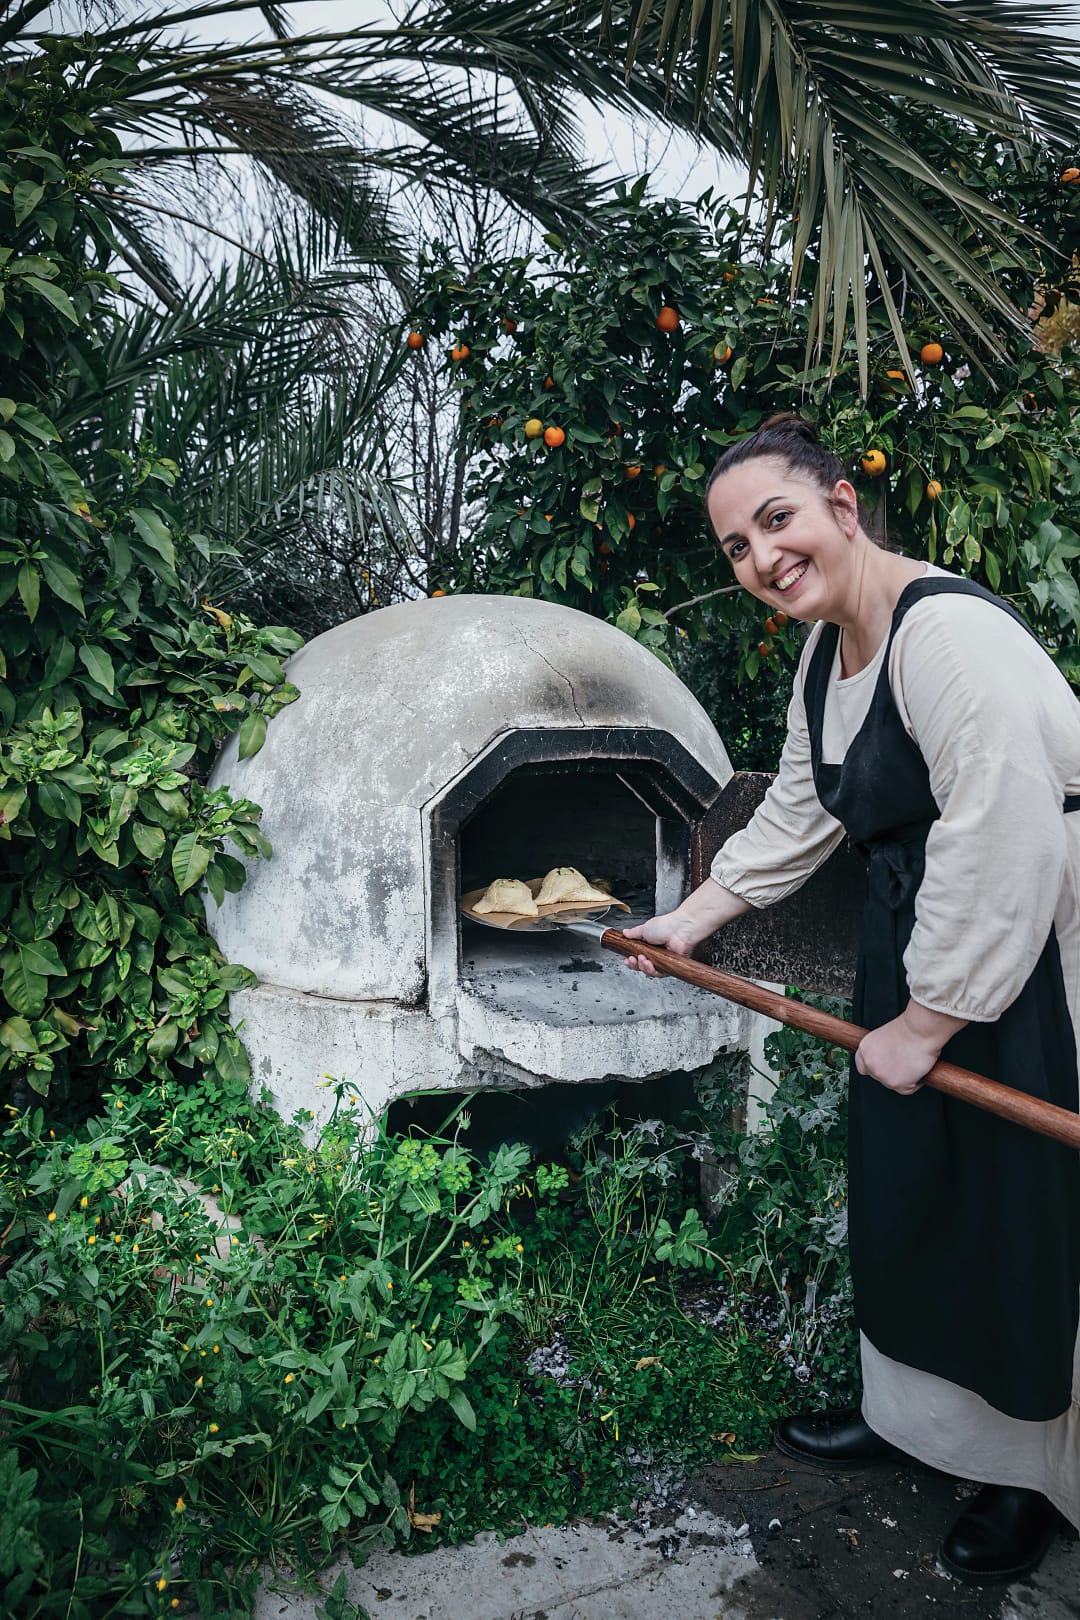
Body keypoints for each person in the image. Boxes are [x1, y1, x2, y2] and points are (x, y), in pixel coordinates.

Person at [622, 413, 1080, 1583]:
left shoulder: (952, 641)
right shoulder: (829, 655)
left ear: (840, 502)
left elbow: (1006, 835)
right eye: (735, 547)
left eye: (775, 520)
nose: (761, 560)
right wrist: (691, 920)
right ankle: (913, 1421)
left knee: (1016, 1214)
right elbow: (797, 815)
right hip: (925, 944)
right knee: (909, 1187)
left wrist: (929, 1023)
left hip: (1030, 957)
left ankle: (1027, 1480)